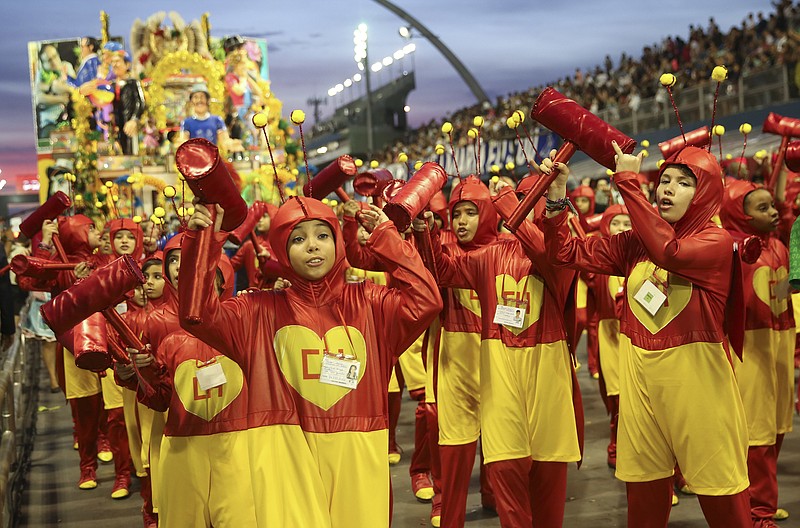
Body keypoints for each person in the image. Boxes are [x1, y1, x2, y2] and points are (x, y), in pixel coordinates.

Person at [181, 196, 442, 527]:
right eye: (298, 239)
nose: (312, 247)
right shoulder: (256, 311)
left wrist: (386, 237)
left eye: (322, 235)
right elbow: (198, 315)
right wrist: (205, 243)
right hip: (283, 454)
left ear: (337, 240)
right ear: (282, 250)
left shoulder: (372, 304)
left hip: (358, 452)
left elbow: (427, 301)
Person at [542, 142, 751, 527]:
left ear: (704, 193)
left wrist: (628, 182)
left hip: (701, 394)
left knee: (725, 503)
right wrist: (556, 202)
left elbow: (669, 252)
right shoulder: (637, 242)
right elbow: (566, 252)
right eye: (664, 180)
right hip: (641, 394)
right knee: (643, 500)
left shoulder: (716, 242)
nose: (667, 189)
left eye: (683, 183)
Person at [720, 179, 795, 527]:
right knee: (757, 434)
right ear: (741, 215)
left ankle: (765, 501)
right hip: (751, 350)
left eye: (772, 205)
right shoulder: (734, 250)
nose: (773, 211)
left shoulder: (779, 245)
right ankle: (757, 512)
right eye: (761, 208)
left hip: (779, 346)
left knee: (777, 427)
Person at [109, 51, 145, 155]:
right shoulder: (111, 85)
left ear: (127, 64)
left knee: (130, 151)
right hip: (115, 126)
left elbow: (140, 102)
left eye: (117, 61)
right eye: (112, 62)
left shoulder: (133, 83)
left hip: (129, 124)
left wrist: (134, 119)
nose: (114, 65)